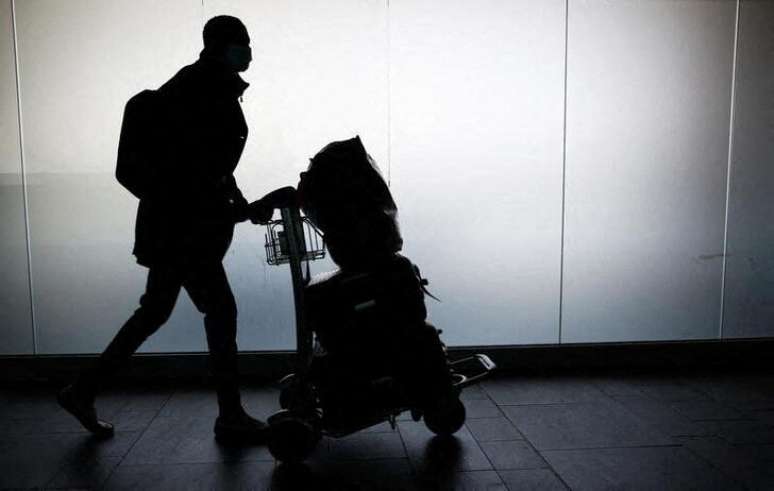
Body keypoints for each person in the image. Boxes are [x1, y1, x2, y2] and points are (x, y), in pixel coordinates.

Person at [58, 15, 280, 442]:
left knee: (155, 311)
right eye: (242, 43)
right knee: (219, 309)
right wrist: (238, 209)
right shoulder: (205, 92)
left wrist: (240, 206)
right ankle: (229, 415)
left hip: (171, 228)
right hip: (187, 232)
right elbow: (199, 175)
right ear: (219, 45)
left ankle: (82, 390)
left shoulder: (194, 87)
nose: (249, 51)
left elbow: (210, 173)